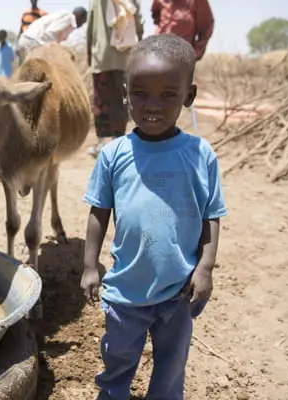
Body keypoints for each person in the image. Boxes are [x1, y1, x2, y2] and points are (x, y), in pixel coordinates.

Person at [81, 33, 227, 400]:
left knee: (172, 362)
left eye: (168, 95)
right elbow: (99, 211)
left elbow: (212, 215)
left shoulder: (200, 154)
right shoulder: (114, 154)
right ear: (126, 93)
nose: (152, 106)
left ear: (188, 96)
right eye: (141, 93)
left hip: (179, 290)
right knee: (118, 357)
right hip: (125, 290)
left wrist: (205, 268)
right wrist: (89, 265)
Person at [86, 0, 144, 157]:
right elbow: (138, 24)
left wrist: (90, 56)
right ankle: (119, 138)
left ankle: (102, 143)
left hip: (101, 58)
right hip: (125, 59)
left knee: (102, 101)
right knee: (123, 100)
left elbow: (90, 27)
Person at [16, 7, 87, 60]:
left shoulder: (65, 17)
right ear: (80, 16)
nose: (82, 24)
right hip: (32, 42)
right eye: (83, 21)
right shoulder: (69, 18)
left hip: (28, 41)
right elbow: (50, 33)